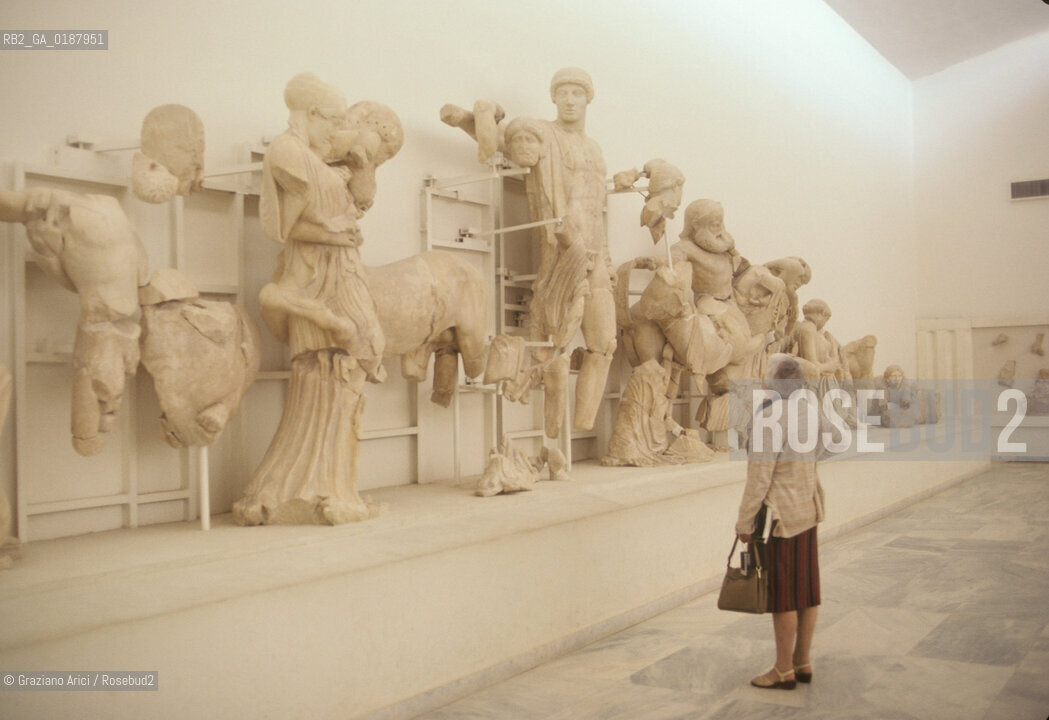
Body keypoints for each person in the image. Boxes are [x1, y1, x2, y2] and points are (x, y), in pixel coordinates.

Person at [736, 353, 826, 690]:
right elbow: (824, 451)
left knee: (784, 597)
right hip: (807, 509)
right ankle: (803, 662)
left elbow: (759, 478)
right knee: (807, 591)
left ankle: (783, 669)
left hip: (780, 518)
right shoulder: (811, 411)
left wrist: (744, 523)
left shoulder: (769, 418)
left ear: (771, 383)